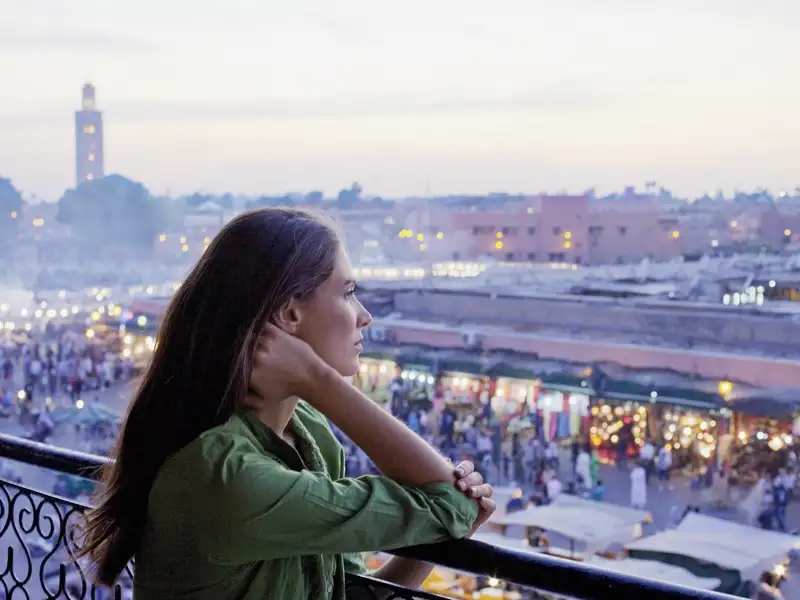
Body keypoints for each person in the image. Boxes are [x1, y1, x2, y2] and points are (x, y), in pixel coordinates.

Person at [76, 209, 496, 600]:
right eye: (348, 293)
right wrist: (319, 381)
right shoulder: (223, 473)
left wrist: (443, 534)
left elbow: (344, 591)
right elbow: (451, 501)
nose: (364, 315)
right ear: (290, 314)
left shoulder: (307, 431)